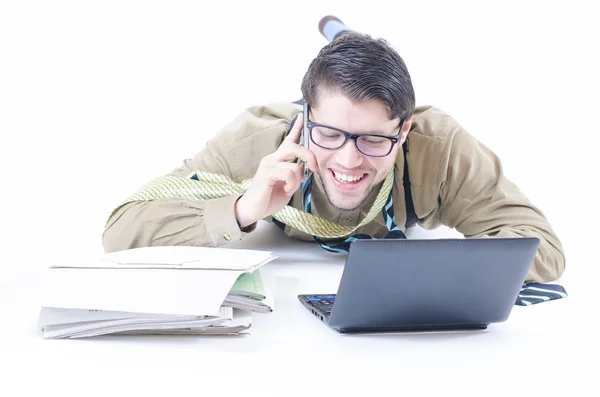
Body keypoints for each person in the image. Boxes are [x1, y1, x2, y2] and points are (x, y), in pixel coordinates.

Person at [102, 17, 565, 284]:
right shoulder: (257, 140)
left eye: (373, 139)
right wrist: (242, 209)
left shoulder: (437, 146)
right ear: (305, 115)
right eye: (329, 134)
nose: (348, 160)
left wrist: (426, 270)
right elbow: (122, 230)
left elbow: (541, 248)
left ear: (403, 132)